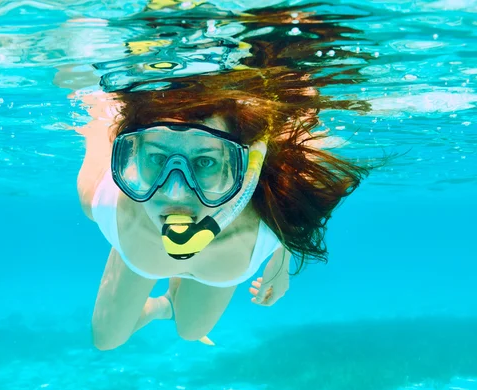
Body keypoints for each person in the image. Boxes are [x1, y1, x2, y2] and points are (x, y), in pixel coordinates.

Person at [73, 65, 375, 351]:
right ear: (130, 154)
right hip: (139, 248)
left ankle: (166, 305)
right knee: (106, 340)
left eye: (205, 161)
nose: (175, 193)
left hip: (218, 262)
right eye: (155, 158)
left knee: (190, 331)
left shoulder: (263, 220)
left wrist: (280, 264)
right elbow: (101, 123)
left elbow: (294, 212)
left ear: (243, 166)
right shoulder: (104, 201)